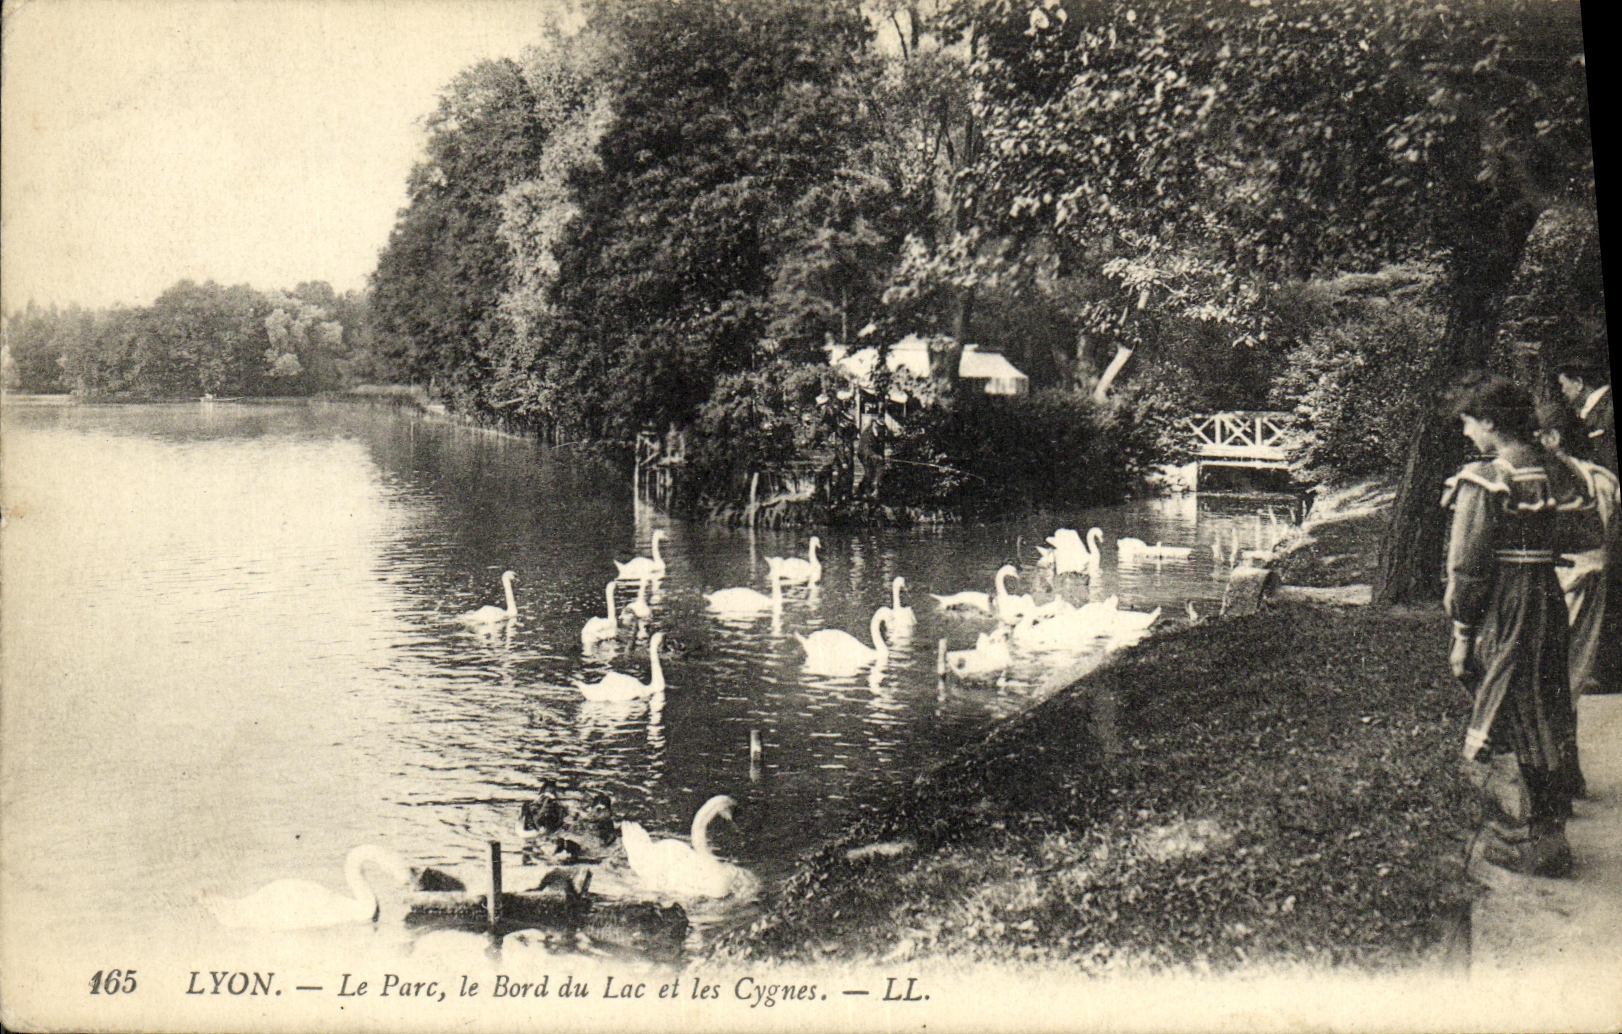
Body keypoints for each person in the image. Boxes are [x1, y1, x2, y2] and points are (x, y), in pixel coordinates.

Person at [1443, 376, 1590, 878]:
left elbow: (1467, 565)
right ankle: (1544, 829)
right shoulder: (1556, 467)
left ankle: (1546, 844)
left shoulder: (1488, 477)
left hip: (1510, 600)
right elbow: (1586, 528)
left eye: (1468, 422)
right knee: (1544, 703)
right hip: (1547, 594)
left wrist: (1462, 632)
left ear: (1489, 421)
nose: (1467, 433)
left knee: (1518, 705)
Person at [1556, 358, 1616, 474]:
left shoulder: (1607, 409)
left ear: (1579, 383)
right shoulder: (1596, 409)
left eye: (1562, 384)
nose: (1562, 391)